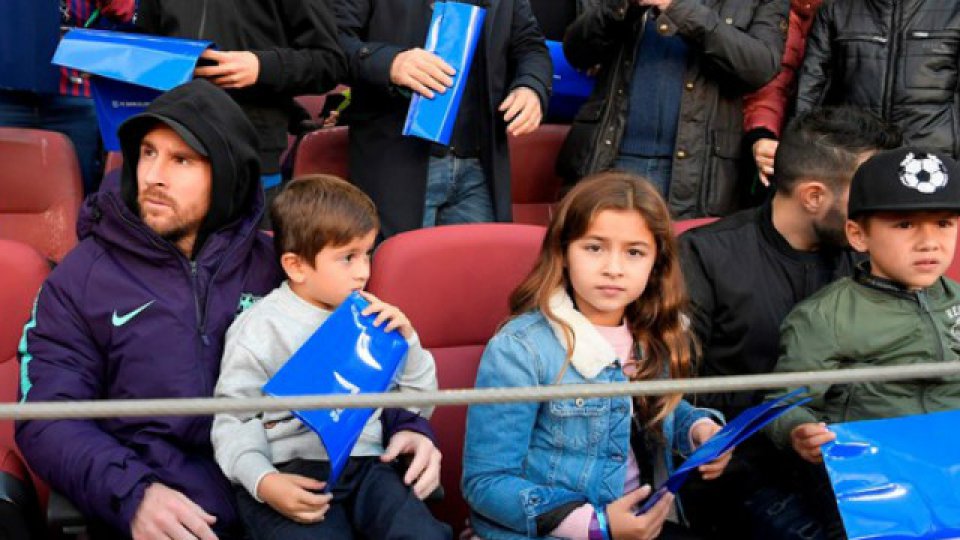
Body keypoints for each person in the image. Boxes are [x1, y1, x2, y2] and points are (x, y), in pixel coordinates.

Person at [15, 79, 439, 540]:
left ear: (227, 173)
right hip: (164, 511)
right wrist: (132, 494)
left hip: (288, 497)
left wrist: (410, 425)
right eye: (148, 153)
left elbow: (355, 362)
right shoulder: (81, 279)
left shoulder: (282, 268)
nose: (154, 175)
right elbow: (46, 417)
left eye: (181, 160)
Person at [462, 172, 732, 540]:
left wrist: (695, 428)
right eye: (594, 248)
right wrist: (594, 525)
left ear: (656, 264)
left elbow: (648, 411)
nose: (614, 268)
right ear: (563, 253)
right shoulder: (520, 348)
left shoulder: (656, 334)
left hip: (645, 522)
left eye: (634, 252)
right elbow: (486, 482)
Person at [677, 107, 900, 538]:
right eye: (866, 189)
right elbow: (670, 386)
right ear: (814, 196)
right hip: (738, 470)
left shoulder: (869, 252)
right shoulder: (704, 256)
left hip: (853, 460)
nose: (879, 204)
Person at [211, 174, 450, 539]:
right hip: (289, 471)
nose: (363, 272)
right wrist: (263, 480)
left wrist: (409, 341)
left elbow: (419, 403)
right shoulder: (260, 328)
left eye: (367, 253)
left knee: (422, 533)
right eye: (347, 258)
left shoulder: (373, 316)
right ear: (296, 266)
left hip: (370, 465)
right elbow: (233, 419)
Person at [764, 147, 960, 537]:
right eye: (904, 225)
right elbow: (782, 402)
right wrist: (798, 430)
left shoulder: (955, 297)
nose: (929, 242)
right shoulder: (825, 317)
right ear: (858, 234)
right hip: (880, 482)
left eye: (944, 223)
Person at [336, 0, 552, 239]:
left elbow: (530, 46)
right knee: (399, 271)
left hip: (479, 164)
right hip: (397, 162)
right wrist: (390, 62)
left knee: (479, 272)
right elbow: (332, 44)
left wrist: (531, 86)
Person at [557, 0, 788, 218]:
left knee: (681, 257)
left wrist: (678, 7)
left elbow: (761, 67)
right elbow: (577, 52)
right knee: (595, 253)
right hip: (608, 155)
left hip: (696, 171)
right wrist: (622, 5)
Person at [135, 0, 347, 197]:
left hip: (250, 146)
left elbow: (329, 62)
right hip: (172, 136)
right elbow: (145, 47)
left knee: (245, 235)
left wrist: (262, 67)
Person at [0, 0, 136, 193]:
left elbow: (127, 16)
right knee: (9, 193)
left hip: (78, 90)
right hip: (8, 90)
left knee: (77, 191)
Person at [796, 0, 960, 158]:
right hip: (852, 154)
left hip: (934, 158)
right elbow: (811, 86)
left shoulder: (954, 9)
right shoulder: (836, 8)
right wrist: (799, 148)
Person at [742, 0, 823, 189]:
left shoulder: (848, 11)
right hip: (780, 141)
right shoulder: (776, 11)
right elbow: (772, 84)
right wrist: (762, 133)